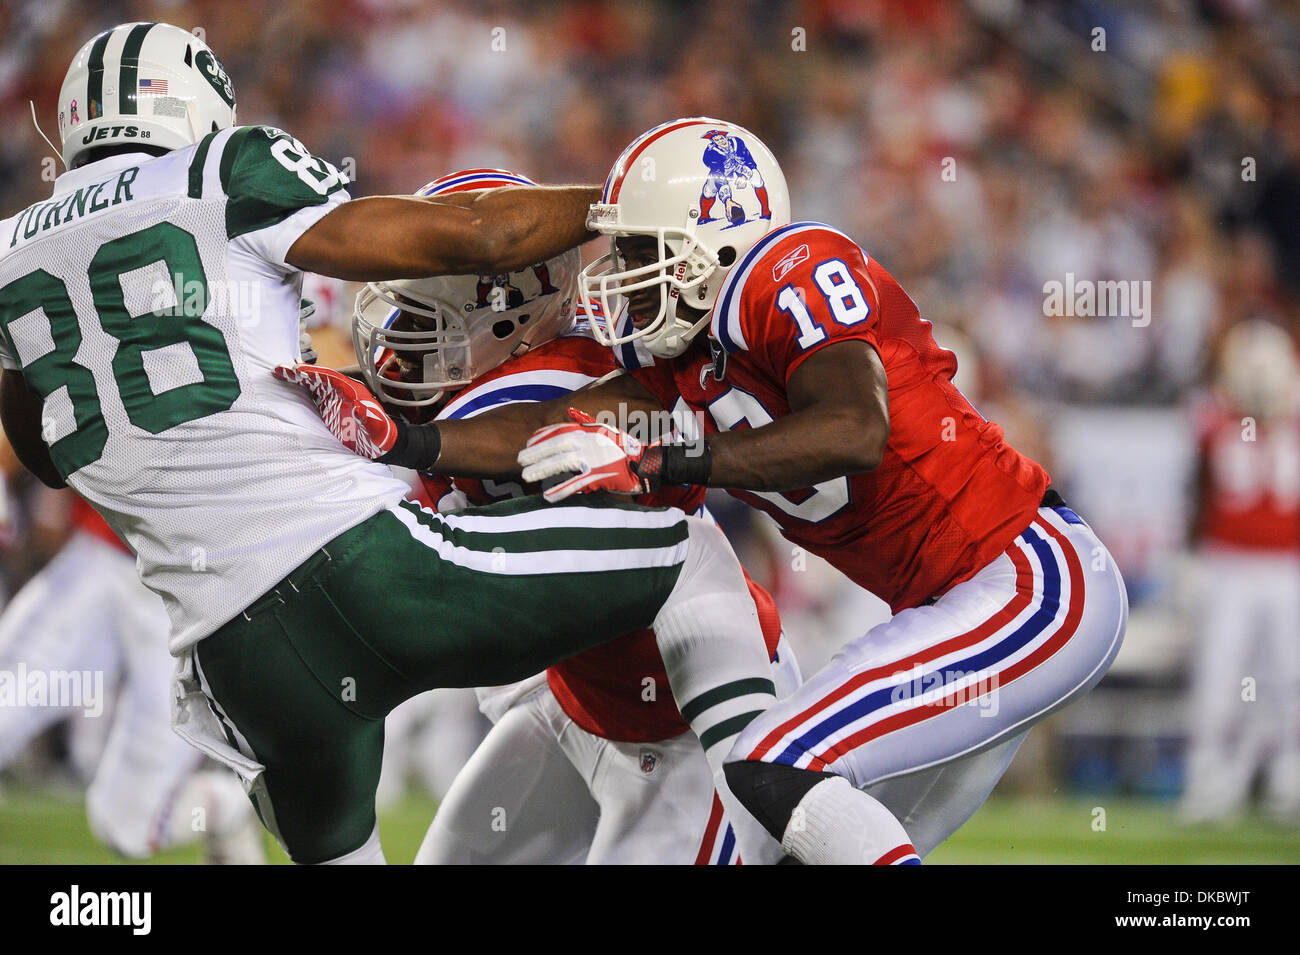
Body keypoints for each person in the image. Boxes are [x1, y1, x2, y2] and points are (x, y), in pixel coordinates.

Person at [0, 29, 817, 865]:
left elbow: (43, 452)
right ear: (199, 109)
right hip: (358, 571)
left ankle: (774, 785)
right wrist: (632, 204)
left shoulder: (8, 249)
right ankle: (787, 787)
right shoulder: (222, 171)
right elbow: (482, 237)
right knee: (683, 555)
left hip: (231, 656)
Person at [291, 118, 1128, 864]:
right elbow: (545, 427)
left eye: (639, 249)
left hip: (1025, 578)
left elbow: (851, 427)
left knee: (775, 763)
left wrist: (672, 461)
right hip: (952, 602)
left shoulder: (787, 268)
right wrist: (407, 438)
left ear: (712, 240)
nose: (621, 273)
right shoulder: (676, 361)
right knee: (802, 833)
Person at [349, 167, 799, 864]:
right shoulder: (501, 376)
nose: (401, 340)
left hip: (684, 719)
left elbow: (470, 437)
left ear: (509, 308)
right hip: (577, 704)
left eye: (421, 315)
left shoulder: (572, 378)